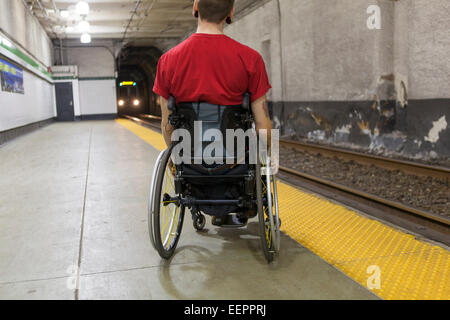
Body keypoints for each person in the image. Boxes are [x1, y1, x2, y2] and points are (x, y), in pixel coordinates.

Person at [153, 0, 273, 227]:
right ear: (231, 12)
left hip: (189, 161)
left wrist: (175, 158)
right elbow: (262, 123)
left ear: (195, 7)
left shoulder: (167, 61)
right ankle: (246, 203)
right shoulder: (250, 58)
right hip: (235, 161)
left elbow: (167, 124)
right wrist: (267, 159)